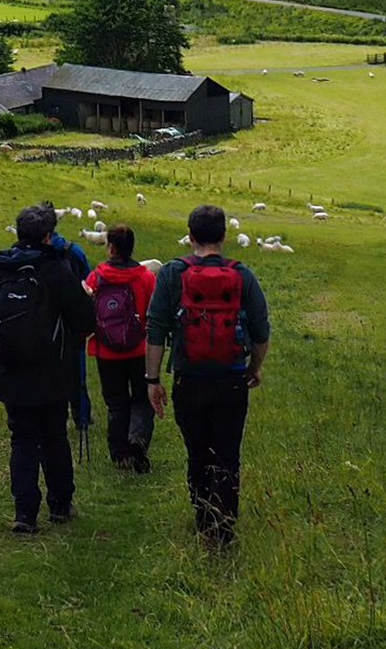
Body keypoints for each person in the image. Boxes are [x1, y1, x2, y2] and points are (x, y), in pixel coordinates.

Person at [145, 203, 271, 548]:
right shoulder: (242, 275)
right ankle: (224, 530)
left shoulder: (171, 274)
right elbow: (261, 330)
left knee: (198, 451)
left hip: (189, 377)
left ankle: (204, 522)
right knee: (227, 453)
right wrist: (254, 367)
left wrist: (152, 380)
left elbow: (156, 327)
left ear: (190, 235)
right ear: (224, 236)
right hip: (232, 378)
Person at [0, 201, 96, 533]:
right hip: (51, 372)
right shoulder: (56, 269)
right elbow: (84, 319)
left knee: (22, 438)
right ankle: (60, 505)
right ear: (48, 236)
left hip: (9, 371)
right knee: (54, 436)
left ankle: (24, 513)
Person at [85, 224, 157, 472]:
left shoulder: (96, 277)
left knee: (116, 403)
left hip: (106, 351)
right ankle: (138, 440)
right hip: (140, 350)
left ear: (111, 247)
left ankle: (120, 454)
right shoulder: (146, 278)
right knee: (141, 400)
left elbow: (87, 311)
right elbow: (153, 314)